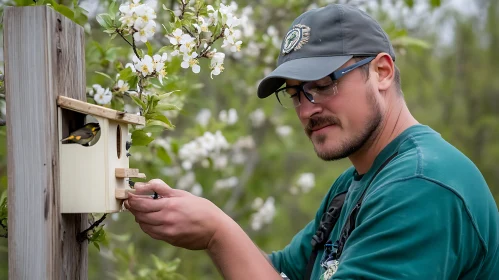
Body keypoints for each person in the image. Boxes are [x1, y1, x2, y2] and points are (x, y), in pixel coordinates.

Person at [124, 3, 499, 280]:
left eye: (323, 85)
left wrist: (217, 234)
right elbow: (279, 272)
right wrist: (205, 221)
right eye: (295, 94)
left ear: (381, 72)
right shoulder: (352, 185)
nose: (307, 110)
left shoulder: (422, 186)